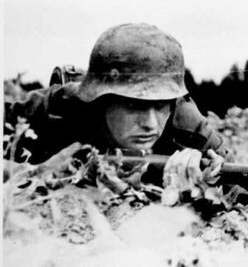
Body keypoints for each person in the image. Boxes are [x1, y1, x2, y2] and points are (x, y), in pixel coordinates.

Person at [4, 23, 227, 190]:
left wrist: (205, 187)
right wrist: (43, 174)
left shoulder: (190, 133)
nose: (150, 124)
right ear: (101, 99)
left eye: (160, 106)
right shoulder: (61, 110)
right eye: (133, 105)